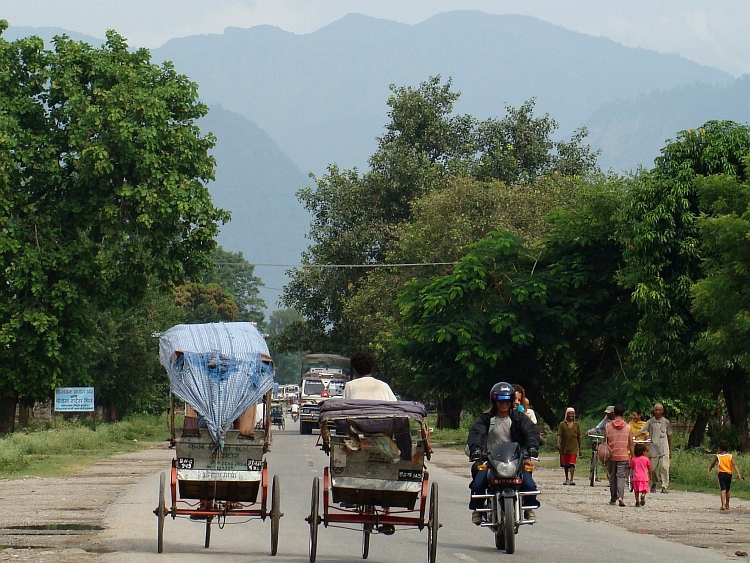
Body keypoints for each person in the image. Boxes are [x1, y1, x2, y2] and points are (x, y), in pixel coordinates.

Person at [467, 381, 541, 524]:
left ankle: (528, 507)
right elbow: (477, 434)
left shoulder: (519, 418)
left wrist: (531, 448)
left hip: (515, 460)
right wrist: (477, 450)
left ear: (512, 400)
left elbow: (531, 431)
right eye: (500, 399)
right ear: (494, 400)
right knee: (478, 483)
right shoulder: (486, 418)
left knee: (530, 484)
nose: (504, 403)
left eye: (507, 399)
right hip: (491, 460)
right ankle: (478, 509)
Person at [636, 403, 672, 493]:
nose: (657, 411)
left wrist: (670, 450)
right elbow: (642, 431)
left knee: (665, 467)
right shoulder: (650, 422)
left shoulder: (666, 422)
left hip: (664, 447)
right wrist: (632, 436)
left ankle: (664, 486)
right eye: (656, 410)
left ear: (662, 411)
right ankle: (655, 482)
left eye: (659, 410)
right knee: (652, 468)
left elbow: (669, 436)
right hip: (653, 447)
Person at [604, 404, 633, 507]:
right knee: (621, 477)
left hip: (611, 456)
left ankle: (613, 499)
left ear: (614, 413)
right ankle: (620, 496)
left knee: (612, 477)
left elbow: (605, 442)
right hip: (623, 456)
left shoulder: (607, 427)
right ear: (624, 414)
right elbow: (630, 444)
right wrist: (632, 457)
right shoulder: (628, 428)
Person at [708, 439, 743, 510]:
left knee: (722, 489)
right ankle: (727, 504)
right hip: (729, 474)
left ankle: (723, 505)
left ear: (719, 448)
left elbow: (713, 464)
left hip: (721, 474)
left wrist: (710, 469)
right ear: (727, 448)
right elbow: (734, 465)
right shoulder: (730, 456)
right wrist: (738, 473)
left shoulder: (718, 456)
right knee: (728, 489)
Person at [557, 407, 582, 485]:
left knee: (572, 463)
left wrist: (580, 448)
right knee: (566, 464)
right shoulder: (562, 424)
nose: (571, 416)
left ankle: (571, 479)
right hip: (564, 447)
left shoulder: (576, 424)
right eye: (569, 414)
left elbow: (578, 436)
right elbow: (559, 435)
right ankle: (566, 478)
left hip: (574, 447)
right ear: (566, 415)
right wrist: (558, 443)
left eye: (572, 414)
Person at [629, 442, 652, 507]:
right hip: (644, 477)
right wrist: (650, 475)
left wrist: (629, 475)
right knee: (644, 489)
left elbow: (631, 467)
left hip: (636, 477)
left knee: (636, 490)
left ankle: (637, 501)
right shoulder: (646, 459)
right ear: (643, 452)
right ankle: (643, 495)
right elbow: (650, 468)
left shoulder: (633, 459)